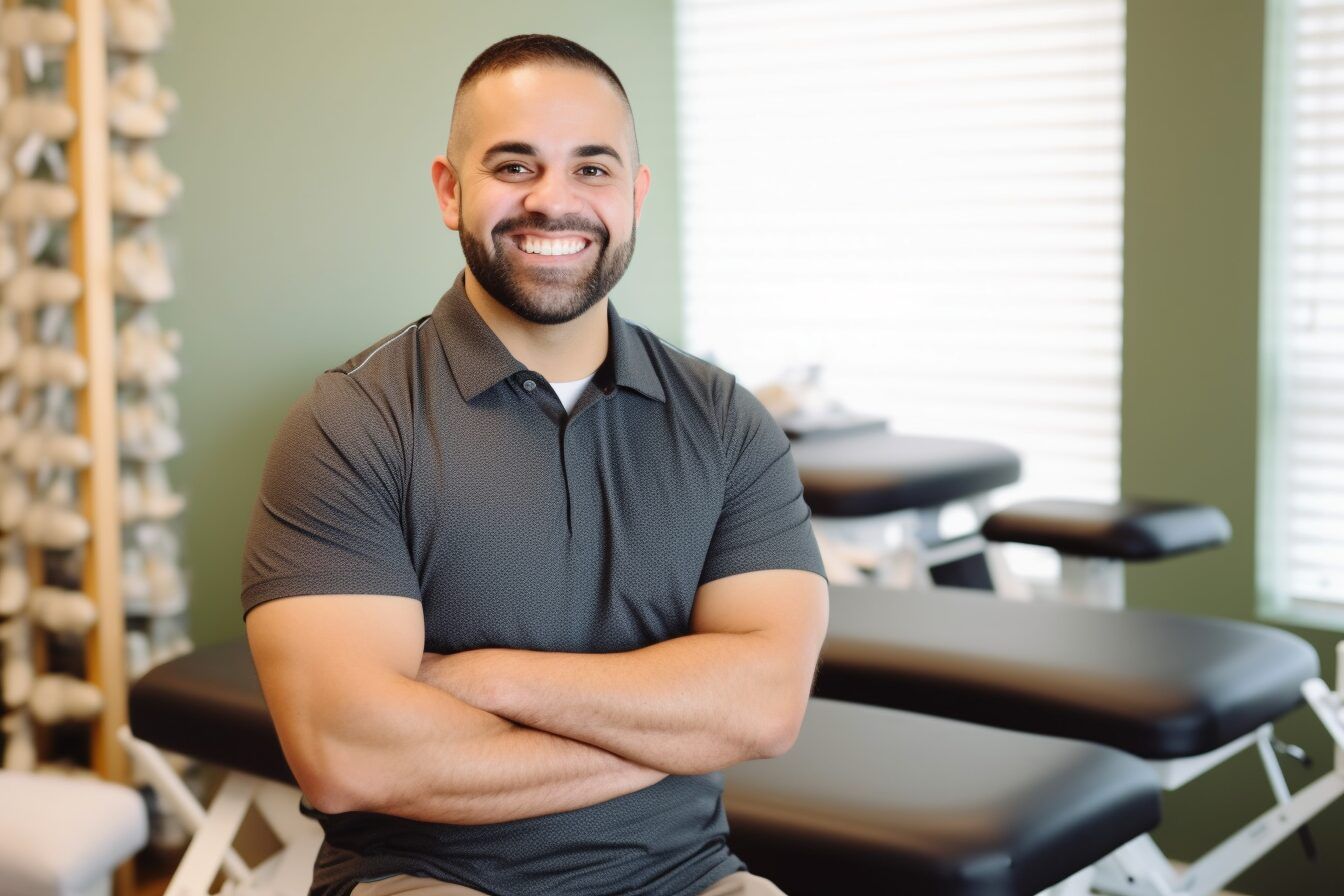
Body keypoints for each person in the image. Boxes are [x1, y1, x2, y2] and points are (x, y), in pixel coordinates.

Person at [241, 34, 829, 896]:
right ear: (450, 190)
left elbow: (767, 703)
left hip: (693, 878)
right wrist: (679, 729)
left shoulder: (726, 420)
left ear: (636, 194)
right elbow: (349, 754)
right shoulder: (351, 422)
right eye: (515, 166)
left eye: (592, 170)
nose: (554, 203)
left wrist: (481, 678)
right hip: (430, 878)